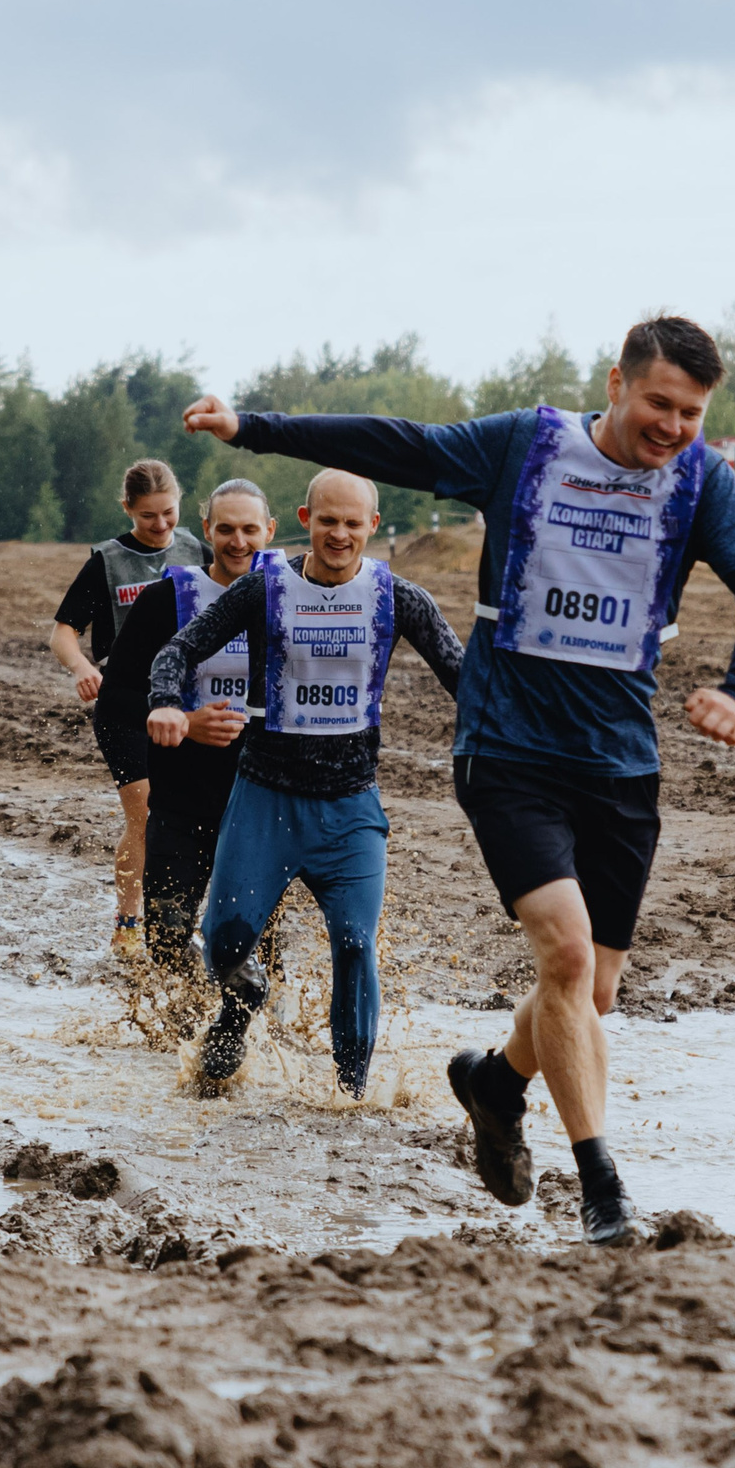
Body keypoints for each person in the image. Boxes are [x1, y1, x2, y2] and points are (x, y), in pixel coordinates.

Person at [181, 316, 735, 1243]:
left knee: (589, 998)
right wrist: (254, 428)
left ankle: (495, 1082)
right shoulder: (528, 447)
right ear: (617, 383)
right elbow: (400, 445)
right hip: (507, 749)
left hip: (621, 761)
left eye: (693, 412)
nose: (673, 426)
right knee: (565, 956)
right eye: (659, 404)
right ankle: (601, 1191)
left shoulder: (700, 480)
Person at [147, 469, 461, 1098]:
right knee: (224, 944)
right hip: (265, 799)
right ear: (304, 519)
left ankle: (351, 1097)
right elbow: (176, 652)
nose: (339, 534)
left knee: (353, 944)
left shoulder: (398, 597)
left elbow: (469, 679)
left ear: (372, 525)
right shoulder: (264, 590)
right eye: (327, 521)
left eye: (352, 523)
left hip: (350, 808)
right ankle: (243, 1005)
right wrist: (166, 703)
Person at [94, 478, 280, 1009]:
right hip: (181, 799)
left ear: (268, 530)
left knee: (261, 945)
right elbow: (115, 698)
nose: (238, 541)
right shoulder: (166, 599)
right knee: (169, 941)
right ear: (207, 530)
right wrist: (178, 716)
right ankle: (176, 1055)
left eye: (250, 529)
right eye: (226, 529)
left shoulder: (289, 595)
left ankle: (259, 1045)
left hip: (261, 800)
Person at [50, 459, 207, 953]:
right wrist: (82, 668)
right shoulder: (108, 560)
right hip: (125, 703)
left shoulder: (197, 551)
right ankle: (128, 923)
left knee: (187, 816)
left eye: (168, 514)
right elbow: (64, 632)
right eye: (147, 517)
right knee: (144, 817)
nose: (160, 526)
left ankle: (182, 917)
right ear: (127, 510)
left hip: (182, 702)